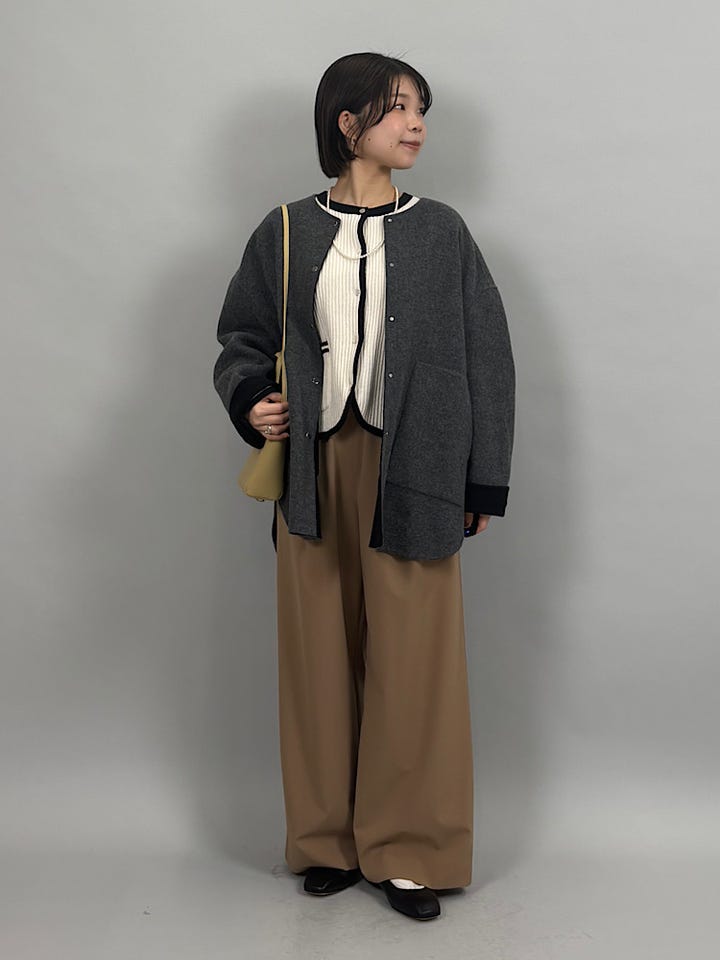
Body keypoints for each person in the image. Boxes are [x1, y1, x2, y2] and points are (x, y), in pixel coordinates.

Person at [213, 52, 516, 922]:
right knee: (315, 655)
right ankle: (326, 842)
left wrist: (483, 477)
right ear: (347, 124)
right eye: (396, 108)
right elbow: (240, 337)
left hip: (417, 466)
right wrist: (251, 399)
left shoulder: (444, 232)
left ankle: (411, 849)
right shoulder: (284, 230)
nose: (416, 124)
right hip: (314, 471)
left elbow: (489, 359)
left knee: (415, 660)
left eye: (422, 109)